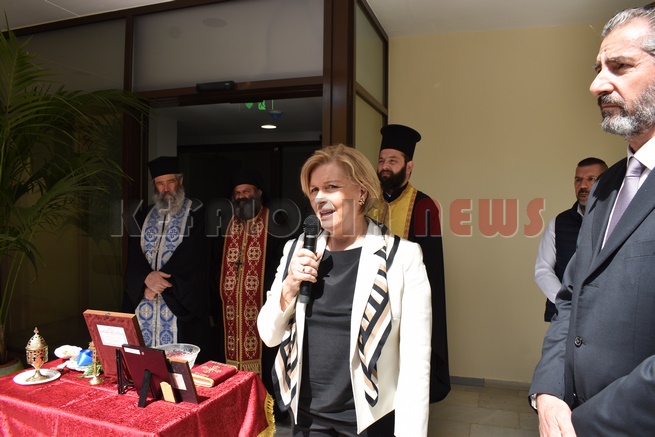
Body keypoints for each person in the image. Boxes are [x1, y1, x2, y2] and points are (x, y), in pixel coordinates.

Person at [530, 4, 655, 435]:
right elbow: (572, 298)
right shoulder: (606, 187)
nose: (596, 84)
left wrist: (585, 423)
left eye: (619, 66)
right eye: (598, 68)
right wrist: (549, 392)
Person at [257, 144, 431, 436]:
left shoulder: (402, 258)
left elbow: (416, 361)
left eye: (331, 187)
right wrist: (288, 289)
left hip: (369, 420)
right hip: (308, 420)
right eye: (314, 190)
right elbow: (269, 335)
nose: (319, 198)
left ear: (362, 191)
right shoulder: (296, 251)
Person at [376, 124, 450, 403]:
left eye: (392, 161)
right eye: (381, 160)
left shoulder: (424, 205)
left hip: (406, 304)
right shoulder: (366, 202)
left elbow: (432, 267)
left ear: (409, 167)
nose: (385, 166)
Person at [210, 168, 291, 412]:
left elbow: (281, 266)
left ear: (259, 193)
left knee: (267, 360)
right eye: (237, 193)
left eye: (246, 191)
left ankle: (266, 410)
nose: (241, 197)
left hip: (262, 310)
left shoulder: (276, 222)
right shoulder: (224, 225)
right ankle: (231, 408)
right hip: (229, 316)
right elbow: (213, 264)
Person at [123, 156, 212, 363]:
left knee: (179, 366)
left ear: (180, 181)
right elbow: (134, 255)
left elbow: (192, 257)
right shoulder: (144, 216)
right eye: (160, 183)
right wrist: (145, 280)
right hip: (146, 301)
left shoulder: (198, 214)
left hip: (179, 304)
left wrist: (158, 285)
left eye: (170, 182)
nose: (165, 189)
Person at [534, 157, 607, 322]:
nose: (583, 185)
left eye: (591, 179)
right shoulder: (558, 223)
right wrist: (567, 303)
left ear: (606, 182)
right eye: (578, 180)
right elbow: (542, 270)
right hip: (564, 317)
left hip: (604, 316)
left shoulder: (617, 221)